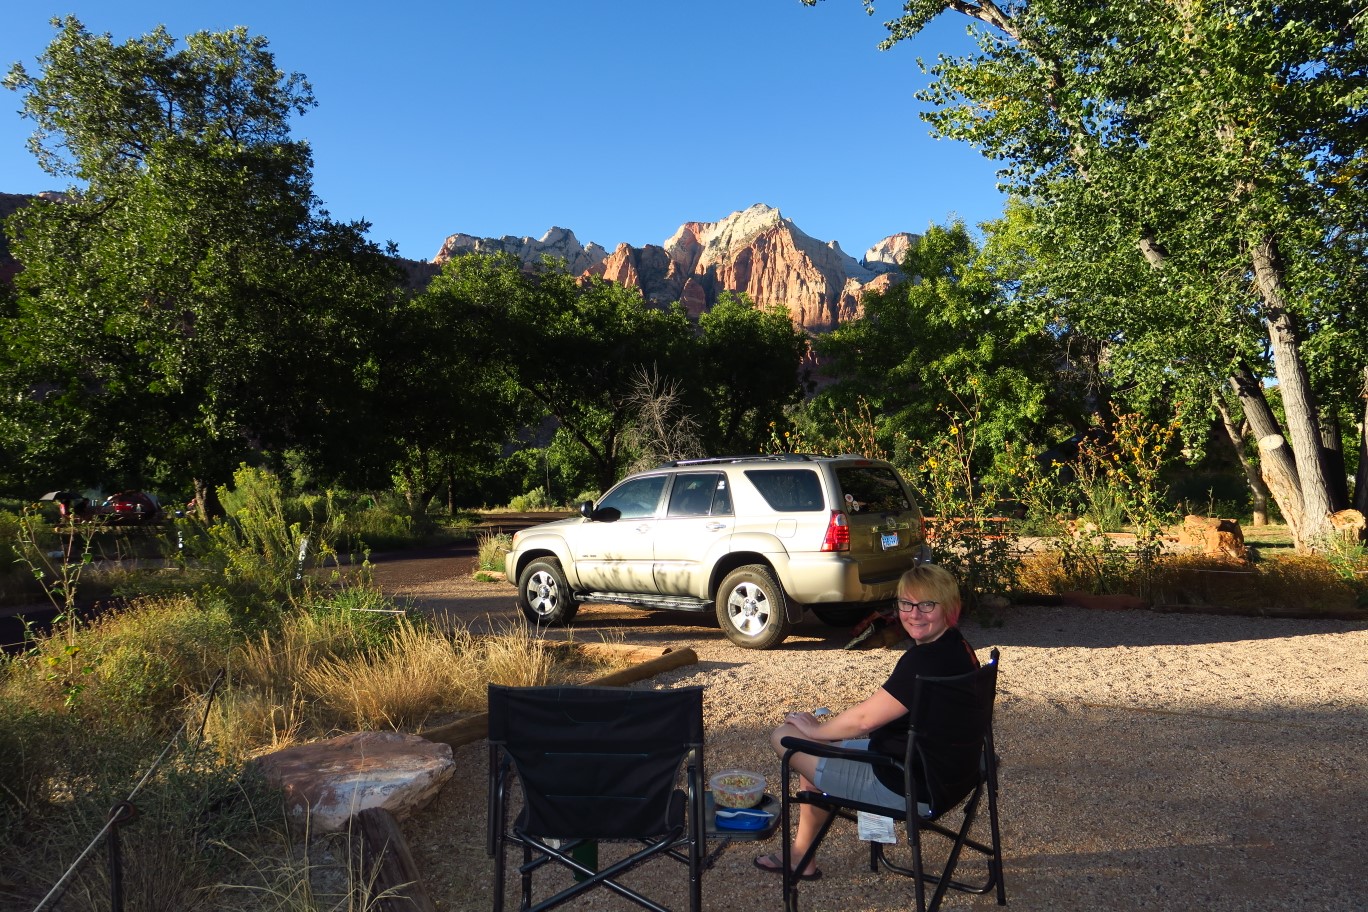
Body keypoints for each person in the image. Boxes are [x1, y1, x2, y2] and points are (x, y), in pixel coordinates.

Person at [753, 563, 980, 879]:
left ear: (949, 607)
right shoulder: (957, 646)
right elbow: (877, 713)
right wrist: (824, 736)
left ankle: (801, 857)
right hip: (951, 772)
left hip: (907, 784)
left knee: (784, 737)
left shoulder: (924, 660)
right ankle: (801, 856)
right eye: (906, 604)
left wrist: (815, 729)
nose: (914, 614)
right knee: (819, 749)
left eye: (927, 605)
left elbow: (863, 720)